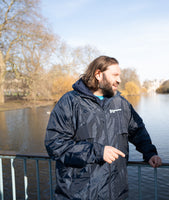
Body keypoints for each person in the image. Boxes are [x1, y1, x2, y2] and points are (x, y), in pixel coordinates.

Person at [45, 55, 162, 200]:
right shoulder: (69, 102)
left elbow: (137, 131)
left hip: (117, 193)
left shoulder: (121, 103)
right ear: (98, 74)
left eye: (119, 76)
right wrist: (97, 151)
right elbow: (55, 144)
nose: (119, 80)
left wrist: (150, 153)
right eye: (115, 75)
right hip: (79, 195)